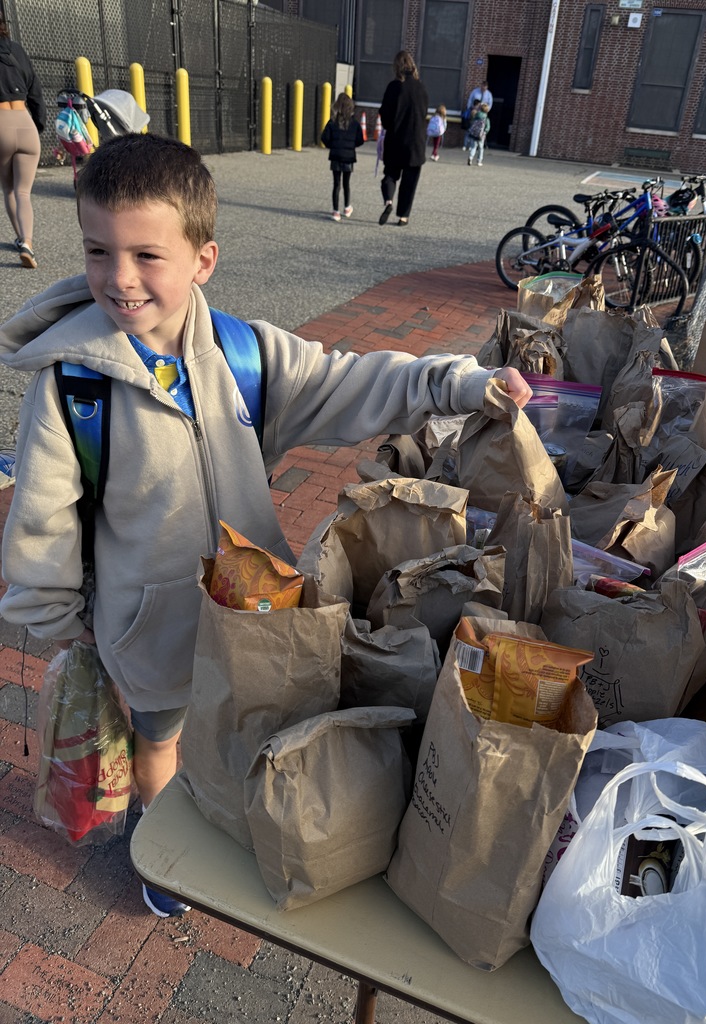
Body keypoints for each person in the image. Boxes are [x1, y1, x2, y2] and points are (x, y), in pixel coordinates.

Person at [0, 132, 532, 917]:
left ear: (202, 259)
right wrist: (67, 623)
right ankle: (163, 848)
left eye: (148, 255)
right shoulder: (71, 390)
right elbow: (41, 524)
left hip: (255, 616)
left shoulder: (244, 353)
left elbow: (349, 379)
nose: (119, 278)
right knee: (161, 742)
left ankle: (222, 811)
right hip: (148, 631)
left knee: (244, 724)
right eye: (97, 250)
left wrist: (456, 382)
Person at [0, 17, 45, 269]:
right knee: (24, 191)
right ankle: (28, 242)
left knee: (9, 189)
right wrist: (37, 127)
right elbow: (35, 91)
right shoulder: (16, 49)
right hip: (25, 122)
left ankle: (20, 237)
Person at [378, 50, 429, 227]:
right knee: (410, 182)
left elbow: (384, 114)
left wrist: (389, 125)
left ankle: (388, 202)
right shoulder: (421, 88)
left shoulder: (394, 87)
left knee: (390, 176)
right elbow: (424, 114)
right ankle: (403, 216)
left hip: (396, 140)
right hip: (415, 143)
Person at [320, 92, 364, 222]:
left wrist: (332, 146)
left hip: (335, 155)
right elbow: (360, 140)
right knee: (346, 183)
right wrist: (351, 146)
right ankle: (346, 207)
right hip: (348, 156)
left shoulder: (332, 122)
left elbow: (324, 137)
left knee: (336, 184)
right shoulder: (354, 124)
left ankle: (335, 211)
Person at [467, 103, 490, 167]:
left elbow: (472, 123)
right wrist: (485, 132)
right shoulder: (486, 118)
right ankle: (479, 161)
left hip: (474, 133)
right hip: (481, 135)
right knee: (480, 148)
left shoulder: (476, 116)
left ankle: (470, 158)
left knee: (473, 147)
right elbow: (487, 127)